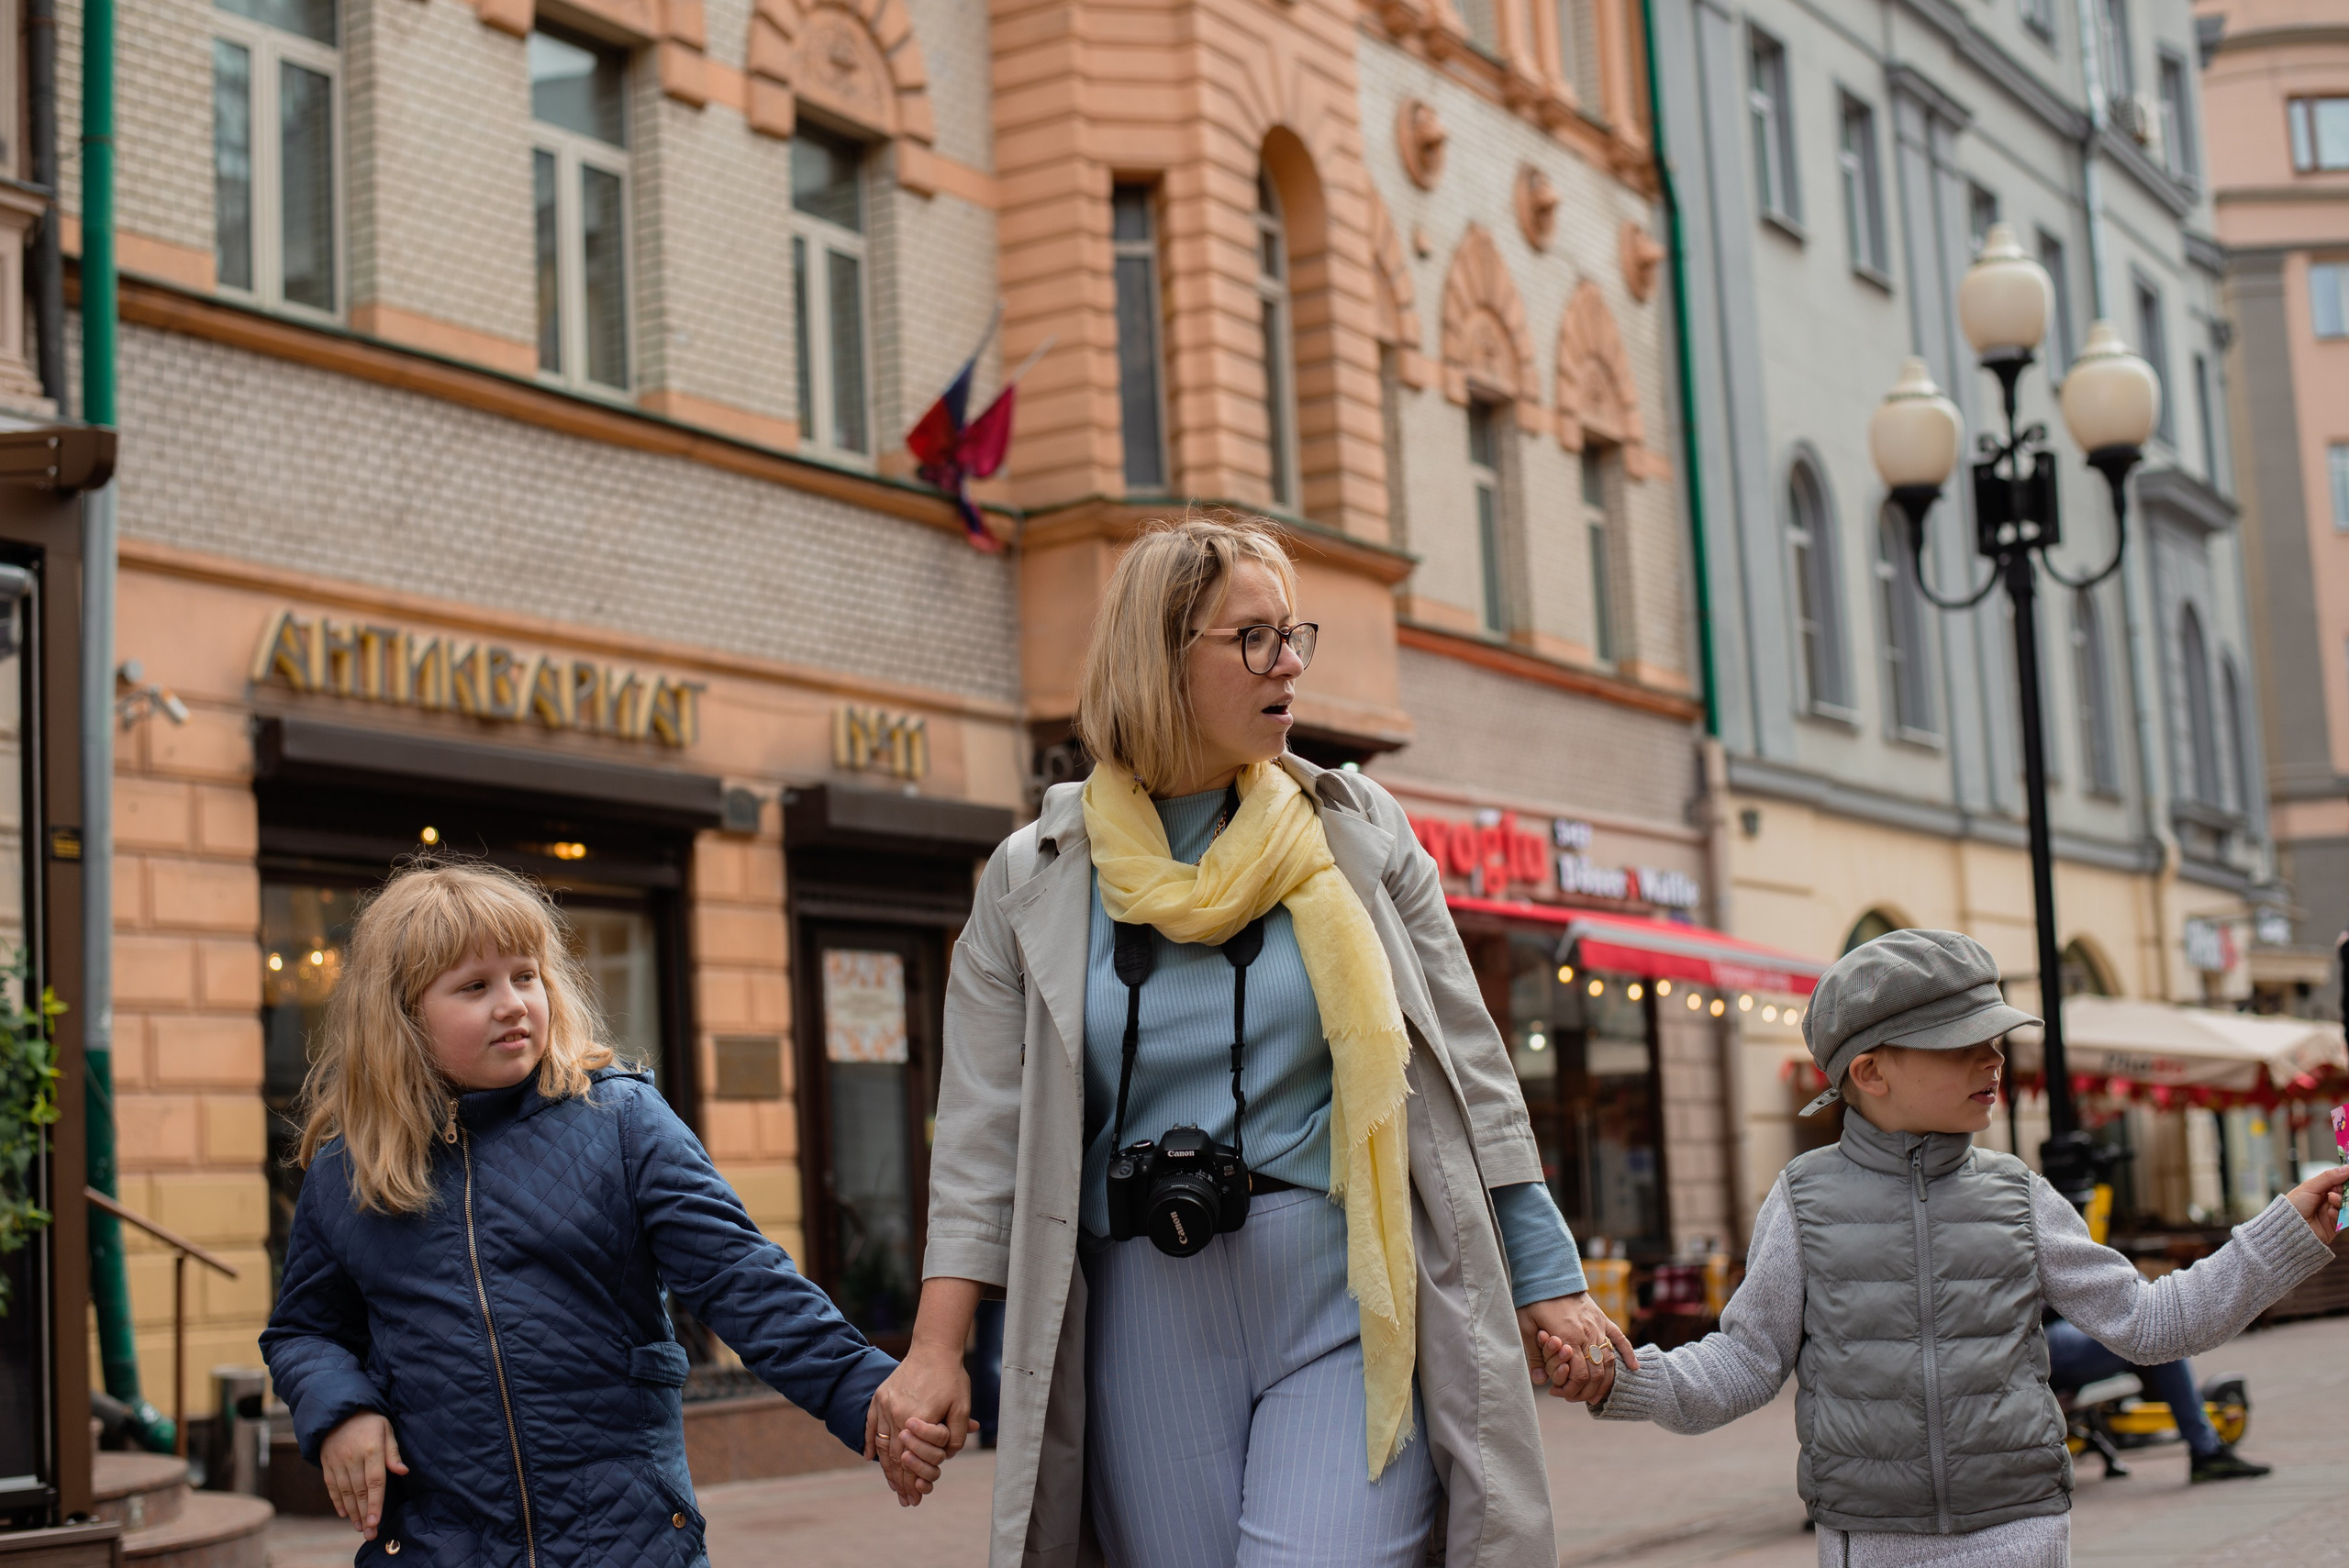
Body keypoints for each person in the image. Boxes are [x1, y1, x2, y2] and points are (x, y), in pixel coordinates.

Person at [864, 515, 1631, 1568]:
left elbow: (1473, 1074)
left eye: (1294, 634)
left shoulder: (1355, 830)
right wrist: (934, 1349)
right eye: (1255, 638)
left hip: (1340, 1291)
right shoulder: (1031, 874)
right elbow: (979, 1138)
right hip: (1141, 1315)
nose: (1291, 664)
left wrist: (1549, 1275)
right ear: (1161, 656)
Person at [1549, 928, 2346, 1567]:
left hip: (2021, 1531)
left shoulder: (2019, 1194)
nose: (1993, 1056)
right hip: (1871, 1539)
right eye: (1961, 1041)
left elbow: (2150, 1322)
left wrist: (2278, 1237)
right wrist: (1623, 1378)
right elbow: (1745, 1361)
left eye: (1994, 1036)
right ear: (1872, 1071)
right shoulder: (1803, 1200)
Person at [261, 861, 902, 1565]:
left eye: (525, 975)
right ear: (401, 1015)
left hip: (627, 1541)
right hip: (438, 1546)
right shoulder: (347, 1170)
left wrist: (867, 1392)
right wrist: (342, 1409)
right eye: (475, 986)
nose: (513, 1003)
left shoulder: (621, 1120)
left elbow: (742, 1278)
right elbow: (304, 1330)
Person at [2043, 1317, 2268, 1483]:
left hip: (2059, 1328)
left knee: (2152, 1328)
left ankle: (2205, 1447)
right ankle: (2206, 1451)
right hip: (2046, 1338)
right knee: (2159, 1336)